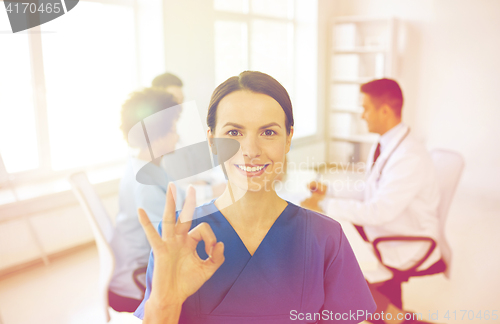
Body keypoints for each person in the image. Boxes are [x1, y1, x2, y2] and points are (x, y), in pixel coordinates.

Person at [133, 71, 376, 323]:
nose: (250, 151)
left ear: (288, 138)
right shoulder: (178, 238)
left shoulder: (325, 238)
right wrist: (165, 302)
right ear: (212, 141)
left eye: (268, 133)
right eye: (234, 133)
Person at [302, 79, 442, 324]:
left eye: (365, 108)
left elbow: (378, 211)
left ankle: (395, 318)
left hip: (404, 238)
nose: (362, 116)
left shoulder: (409, 156)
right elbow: (369, 189)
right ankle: (392, 315)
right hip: (388, 226)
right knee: (331, 247)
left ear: (385, 111)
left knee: (335, 261)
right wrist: (329, 190)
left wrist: (323, 205)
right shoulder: (384, 143)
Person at [108, 88, 184, 312]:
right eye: (172, 129)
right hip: (138, 281)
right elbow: (167, 242)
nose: (178, 136)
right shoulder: (146, 182)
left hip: (137, 270)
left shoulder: (142, 166)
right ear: (155, 135)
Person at [152, 72, 226, 203]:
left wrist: (205, 182)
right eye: (174, 101)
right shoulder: (154, 144)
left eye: (181, 101)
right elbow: (170, 190)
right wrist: (211, 190)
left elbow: (201, 173)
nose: (180, 107)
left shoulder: (181, 135)